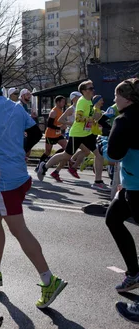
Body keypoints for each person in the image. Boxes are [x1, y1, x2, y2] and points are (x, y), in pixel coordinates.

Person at [0, 64, 67, 309]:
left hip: (1, 180)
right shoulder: (15, 106)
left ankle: (49, 280)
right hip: (16, 175)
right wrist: (20, 150)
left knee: (19, 229)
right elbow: (36, 132)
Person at [98, 79, 139, 323]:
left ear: (127, 98)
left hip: (136, 187)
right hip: (131, 185)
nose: (114, 100)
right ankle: (134, 273)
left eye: (116, 96)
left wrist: (102, 145)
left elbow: (114, 154)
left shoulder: (124, 120)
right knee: (113, 218)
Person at [37, 80, 109, 190]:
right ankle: (44, 166)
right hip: (77, 134)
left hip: (87, 133)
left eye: (93, 88)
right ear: (84, 91)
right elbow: (78, 118)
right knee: (66, 155)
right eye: (90, 88)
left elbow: (89, 118)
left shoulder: (89, 101)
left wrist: (97, 116)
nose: (93, 90)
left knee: (98, 155)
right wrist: (92, 118)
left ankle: (98, 181)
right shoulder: (82, 101)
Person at [36, 95, 69, 182]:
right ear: (57, 102)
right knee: (47, 152)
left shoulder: (61, 111)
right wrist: (60, 128)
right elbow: (49, 125)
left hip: (58, 135)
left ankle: (54, 158)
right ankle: (39, 165)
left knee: (67, 148)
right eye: (62, 101)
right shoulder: (53, 112)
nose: (64, 103)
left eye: (64, 101)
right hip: (50, 134)